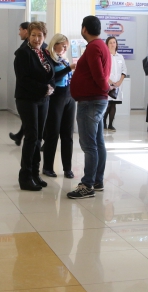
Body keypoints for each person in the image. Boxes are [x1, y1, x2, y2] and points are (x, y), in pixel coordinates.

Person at [67, 16, 111, 199]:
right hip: (95, 100)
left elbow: (98, 75)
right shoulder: (101, 45)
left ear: (84, 29)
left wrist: (105, 88)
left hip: (91, 102)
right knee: (98, 143)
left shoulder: (93, 47)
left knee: (89, 145)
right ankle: (97, 181)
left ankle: (87, 185)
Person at [13, 21, 55, 191]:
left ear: (44, 36)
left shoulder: (44, 51)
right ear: (28, 36)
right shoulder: (23, 53)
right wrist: (44, 88)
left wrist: (51, 87)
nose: (36, 39)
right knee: (31, 137)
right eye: (33, 35)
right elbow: (23, 79)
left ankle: (35, 174)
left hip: (43, 99)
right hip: (27, 99)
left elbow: (51, 73)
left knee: (38, 138)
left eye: (40, 35)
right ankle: (25, 177)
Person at [42, 33, 76, 179]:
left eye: (66, 46)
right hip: (56, 98)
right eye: (63, 45)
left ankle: (67, 168)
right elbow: (52, 78)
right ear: (55, 44)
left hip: (69, 97)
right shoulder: (49, 59)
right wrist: (69, 69)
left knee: (68, 134)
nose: (65, 48)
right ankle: (48, 167)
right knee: (53, 133)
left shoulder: (64, 60)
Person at [9, 21, 30, 146]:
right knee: (29, 118)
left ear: (26, 31)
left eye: (20, 30)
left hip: (28, 92)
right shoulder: (24, 48)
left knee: (31, 121)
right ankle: (19, 136)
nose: (19, 33)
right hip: (27, 90)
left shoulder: (24, 49)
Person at [103, 36, 127, 132]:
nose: (113, 44)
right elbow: (102, 71)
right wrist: (109, 81)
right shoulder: (105, 56)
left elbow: (124, 70)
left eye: (114, 42)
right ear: (107, 45)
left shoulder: (120, 57)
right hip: (108, 84)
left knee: (113, 105)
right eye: (110, 43)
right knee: (107, 104)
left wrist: (120, 81)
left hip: (117, 85)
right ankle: (103, 123)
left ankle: (110, 125)